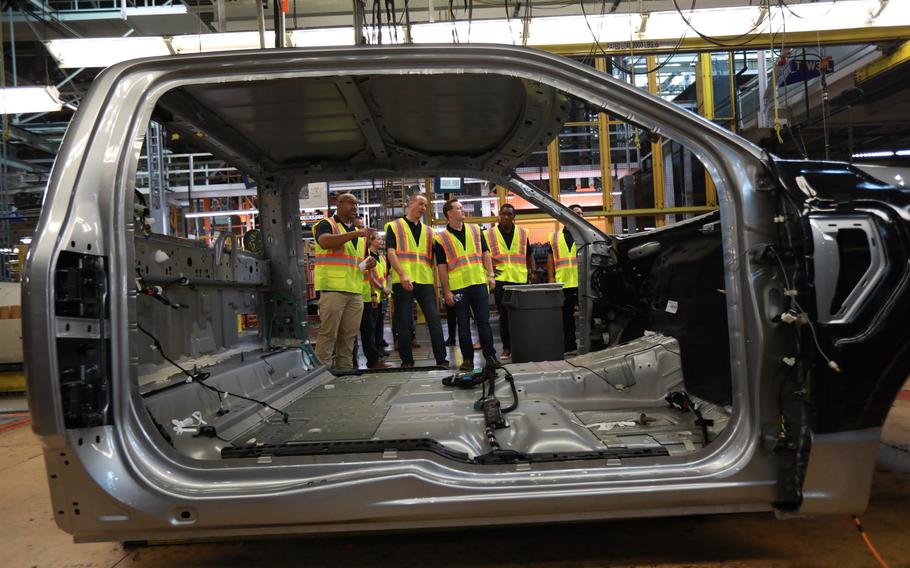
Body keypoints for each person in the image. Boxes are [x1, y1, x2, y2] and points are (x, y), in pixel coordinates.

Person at [385, 193, 449, 369]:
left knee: (434, 320)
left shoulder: (430, 231)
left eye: (426, 206)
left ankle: (442, 360)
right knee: (403, 322)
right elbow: (391, 253)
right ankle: (407, 361)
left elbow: (440, 255)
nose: (423, 208)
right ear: (410, 203)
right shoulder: (394, 226)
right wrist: (402, 274)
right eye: (421, 204)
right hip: (402, 280)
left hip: (425, 280)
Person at [313, 193, 376, 370]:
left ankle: (345, 371)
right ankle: (322, 374)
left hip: (355, 291)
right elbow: (324, 242)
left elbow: (355, 262)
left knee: (348, 337)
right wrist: (355, 233)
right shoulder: (327, 224)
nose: (354, 207)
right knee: (328, 334)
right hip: (333, 288)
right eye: (350, 203)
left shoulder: (359, 235)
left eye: (356, 204)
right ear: (338, 204)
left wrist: (367, 264)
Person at [435, 198, 497, 371]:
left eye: (462, 207)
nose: (463, 210)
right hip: (458, 287)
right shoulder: (440, 238)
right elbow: (441, 267)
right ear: (449, 214)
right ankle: (467, 359)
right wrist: (446, 291)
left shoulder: (476, 230)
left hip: (478, 283)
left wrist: (491, 275)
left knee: (483, 322)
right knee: (463, 324)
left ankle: (491, 356)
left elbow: (485, 253)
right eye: (459, 208)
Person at [486, 203, 535, 359]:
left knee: (520, 316)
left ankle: (521, 346)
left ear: (514, 217)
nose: (506, 217)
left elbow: (529, 254)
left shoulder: (522, 233)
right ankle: (507, 348)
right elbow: (483, 256)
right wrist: (489, 271)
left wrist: (532, 271)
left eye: (509, 214)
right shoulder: (489, 234)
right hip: (500, 281)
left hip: (519, 279)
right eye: (503, 214)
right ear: (499, 215)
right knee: (504, 316)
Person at [547, 204, 583, 354]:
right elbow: (550, 257)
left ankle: (593, 343)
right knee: (566, 317)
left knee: (589, 315)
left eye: (582, 213)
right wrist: (550, 277)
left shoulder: (586, 235)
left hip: (583, 282)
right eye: (576, 213)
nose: (580, 216)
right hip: (564, 282)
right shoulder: (554, 236)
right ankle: (570, 345)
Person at [360, 230, 391, 369]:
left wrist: (387, 288)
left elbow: (386, 274)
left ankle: (378, 350)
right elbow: (370, 275)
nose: (381, 241)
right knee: (369, 327)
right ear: (371, 241)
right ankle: (372, 357)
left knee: (379, 325)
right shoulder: (367, 256)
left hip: (382, 295)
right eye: (378, 238)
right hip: (370, 294)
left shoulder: (382, 257)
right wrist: (380, 288)